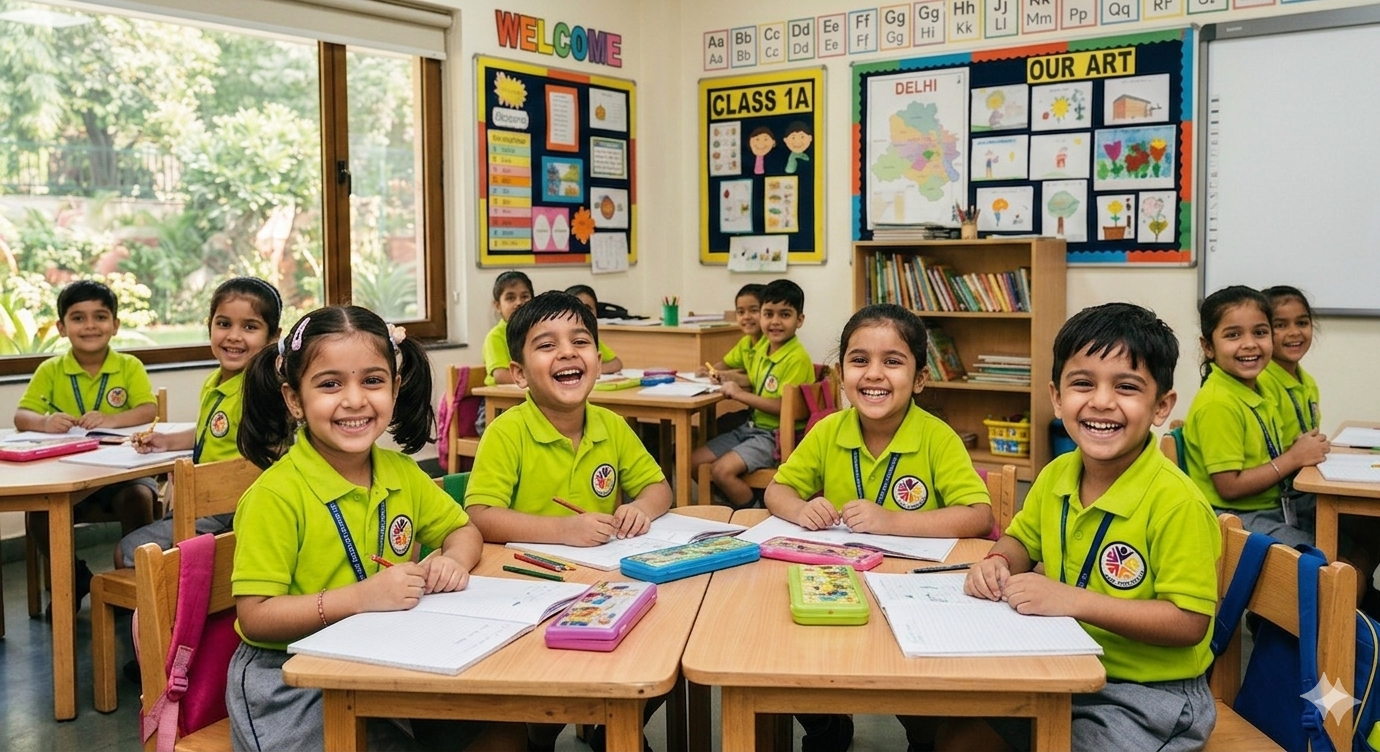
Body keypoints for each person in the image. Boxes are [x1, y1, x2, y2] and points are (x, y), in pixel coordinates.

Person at [950, 302, 1220, 752]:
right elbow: (1021, 539)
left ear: (1161, 406)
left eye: (1127, 387)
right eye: (1082, 384)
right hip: (1062, 664)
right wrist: (997, 561)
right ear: (1057, 397)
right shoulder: (1056, 474)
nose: (1101, 401)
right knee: (958, 733)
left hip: (1147, 697)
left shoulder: (1177, 502)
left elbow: (1189, 622)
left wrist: (1073, 600)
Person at [227, 305, 485, 752]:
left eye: (372, 380)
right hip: (289, 675)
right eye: (330, 384)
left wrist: (452, 561)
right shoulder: (275, 496)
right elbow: (256, 614)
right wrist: (361, 599)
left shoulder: (400, 471)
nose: (354, 400)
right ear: (294, 400)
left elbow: (464, 530)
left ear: (395, 386)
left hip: (382, 652)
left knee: (493, 729)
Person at [766, 304, 993, 752]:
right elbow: (777, 491)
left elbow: (978, 514)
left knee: (917, 685)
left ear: (921, 378)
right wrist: (800, 509)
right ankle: (827, 726)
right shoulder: (828, 430)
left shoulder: (936, 437)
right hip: (834, 584)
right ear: (840, 372)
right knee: (786, 646)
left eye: (892, 361)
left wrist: (892, 522)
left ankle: (921, 735)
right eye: (859, 360)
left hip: (913, 591)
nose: (874, 374)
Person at [464, 291, 671, 751]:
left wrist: (640, 508)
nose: (567, 353)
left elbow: (659, 488)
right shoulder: (507, 432)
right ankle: (548, 728)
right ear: (518, 373)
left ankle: (611, 725)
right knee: (539, 696)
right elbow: (480, 516)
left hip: (601, 583)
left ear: (598, 358)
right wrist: (563, 531)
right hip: (527, 590)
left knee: (668, 650)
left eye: (580, 340)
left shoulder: (611, 425)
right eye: (546, 345)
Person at [119, 277, 283, 567]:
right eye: (223, 324)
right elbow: (213, 431)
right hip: (202, 502)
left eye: (249, 327)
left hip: (230, 510)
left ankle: (163, 610)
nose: (234, 336)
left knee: (126, 552)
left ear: (273, 337)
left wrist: (193, 483)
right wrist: (168, 441)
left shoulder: (261, 389)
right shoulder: (214, 383)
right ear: (209, 326)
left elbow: (269, 456)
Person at [13, 279, 158, 601]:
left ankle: (132, 584)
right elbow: (22, 416)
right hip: (67, 479)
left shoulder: (128, 366)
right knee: (40, 513)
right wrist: (46, 421)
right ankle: (74, 576)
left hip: (122, 475)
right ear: (62, 327)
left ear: (115, 325)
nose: (90, 325)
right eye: (78, 318)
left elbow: (149, 409)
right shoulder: (50, 370)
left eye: (100, 316)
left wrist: (112, 420)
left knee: (139, 498)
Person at [1183, 286, 1327, 547]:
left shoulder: (1258, 389)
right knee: (1327, 561)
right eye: (1233, 335)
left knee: (1357, 529)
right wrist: (1293, 457)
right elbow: (1230, 487)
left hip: (1273, 504)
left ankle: (1358, 588)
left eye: (1260, 332)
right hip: (1235, 516)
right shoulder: (1218, 403)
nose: (1249, 343)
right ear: (1208, 346)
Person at [692, 279, 813, 509]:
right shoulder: (761, 348)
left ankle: (753, 513)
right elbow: (756, 380)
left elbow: (782, 407)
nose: (775, 322)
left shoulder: (797, 358)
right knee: (694, 461)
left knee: (721, 470)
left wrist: (739, 394)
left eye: (785, 315)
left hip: (774, 435)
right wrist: (731, 379)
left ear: (800, 320)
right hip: (750, 427)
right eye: (768, 314)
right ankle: (729, 503)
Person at [1259, 285, 1321, 452]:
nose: (1294, 332)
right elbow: (1266, 451)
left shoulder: (1307, 381)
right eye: (1280, 325)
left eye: (1302, 323)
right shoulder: (1260, 382)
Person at [697, 283, 765, 433]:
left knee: (719, 427)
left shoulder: (770, 344)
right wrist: (710, 370)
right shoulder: (746, 342)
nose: (746, 317)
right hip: (755, 414)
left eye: (753, 310)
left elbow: (756, 380)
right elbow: (726, 363)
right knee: (717, 425)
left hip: (764, 418)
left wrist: (727, 376)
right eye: (741, 312)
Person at [478, 270, 534, 435]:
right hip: (498, 405)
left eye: (525, 297)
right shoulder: (495, 337)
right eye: (510, 298)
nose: (519, 303)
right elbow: (501, 376)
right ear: (497, 306)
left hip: (530, 399)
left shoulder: (539, 333)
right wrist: (540, 377)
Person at [565, 283, 624, 373]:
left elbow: (616, 363)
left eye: (587, 309)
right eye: (575, 308)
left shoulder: (591, 339)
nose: (582, 314)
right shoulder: (558, 339)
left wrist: (591, 371)